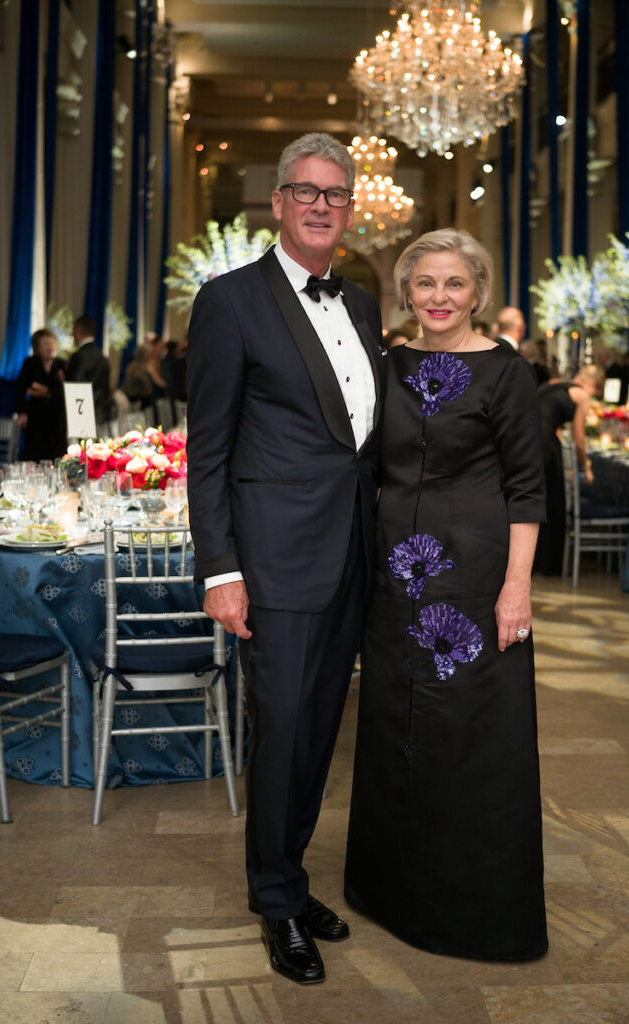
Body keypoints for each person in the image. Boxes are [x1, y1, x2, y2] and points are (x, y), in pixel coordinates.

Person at [187, 132, 384, 985]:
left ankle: (291, 876)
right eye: (304, 191)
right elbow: (209, 449)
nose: (319, 205)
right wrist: (221, 569)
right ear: (277, 202)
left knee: (317, 738)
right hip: (272, 561)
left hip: (351, 555)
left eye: (334, 194)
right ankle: (274, 901)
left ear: (348, 207)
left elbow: (361, 443)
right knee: (282, 733)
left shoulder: (366, 303)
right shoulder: (229, 301)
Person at [344, 229, 548, 961]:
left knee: (468, 739)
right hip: (391, 579)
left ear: (478, 293)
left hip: (476, 581)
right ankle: (391, 892)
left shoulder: (506, 372)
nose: (438, 297)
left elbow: (528, 490)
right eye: (424, 283)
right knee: (397, 730)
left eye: (453, 283)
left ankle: (471, 910)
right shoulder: (383, 367)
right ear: (406, 292)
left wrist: (516, 589)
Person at [533, 365, 602, 576]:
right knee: (552, 502)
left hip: (525, 439)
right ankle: (547, 563)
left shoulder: (555, 383)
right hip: (545, 446)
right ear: (593, 384)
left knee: (534, 501)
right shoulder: (582, 396)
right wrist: (586, 467)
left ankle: (532, 561)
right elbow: (579, 438)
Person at [14, 328, 67, 461]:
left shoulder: (62, 365)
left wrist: (48, 392)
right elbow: (19, 390)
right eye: (46, 344)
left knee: (58, 457)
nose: (50, 347)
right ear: (37, 348)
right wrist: (21, 412)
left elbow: (68, 391)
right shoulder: (30, 363)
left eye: (53, 343)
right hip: (36, 419)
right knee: (34, 455)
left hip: (57, 420)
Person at [66, 315, 111, 425]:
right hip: (100, 412)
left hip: (81, 415)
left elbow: (74, 387)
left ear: (77, 330)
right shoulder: (102, 356)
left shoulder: (79, 356)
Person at [121, 344, 154, 409]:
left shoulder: (141, 366)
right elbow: (146, 385)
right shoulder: (135, 367)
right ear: (144, 355)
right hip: (135, 400)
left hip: (140, 399)